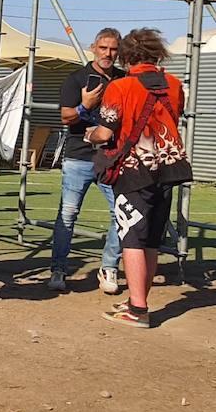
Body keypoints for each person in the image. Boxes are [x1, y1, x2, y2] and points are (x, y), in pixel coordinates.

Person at [87, 28, 191, 329]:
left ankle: (137, 308)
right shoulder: (174, 84)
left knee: (131, 237)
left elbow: (106, 133)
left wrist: (90, 134)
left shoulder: (120, 87)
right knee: (152, 240)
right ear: (157, 52)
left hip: (134, 170)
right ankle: (138, 298)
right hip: (169, 167)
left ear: (126, 55)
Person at [49, 28, 124, 293]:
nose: (108, 54)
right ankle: (58, 269)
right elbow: (66, 118)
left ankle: (109, 268)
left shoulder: (123, 80)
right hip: (79, 157)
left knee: (121, 214)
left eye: (113, 49)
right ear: (93, 47)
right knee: (67, 216)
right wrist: (86, 105)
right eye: (103, 48)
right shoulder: (76, 78)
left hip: (111, 158)